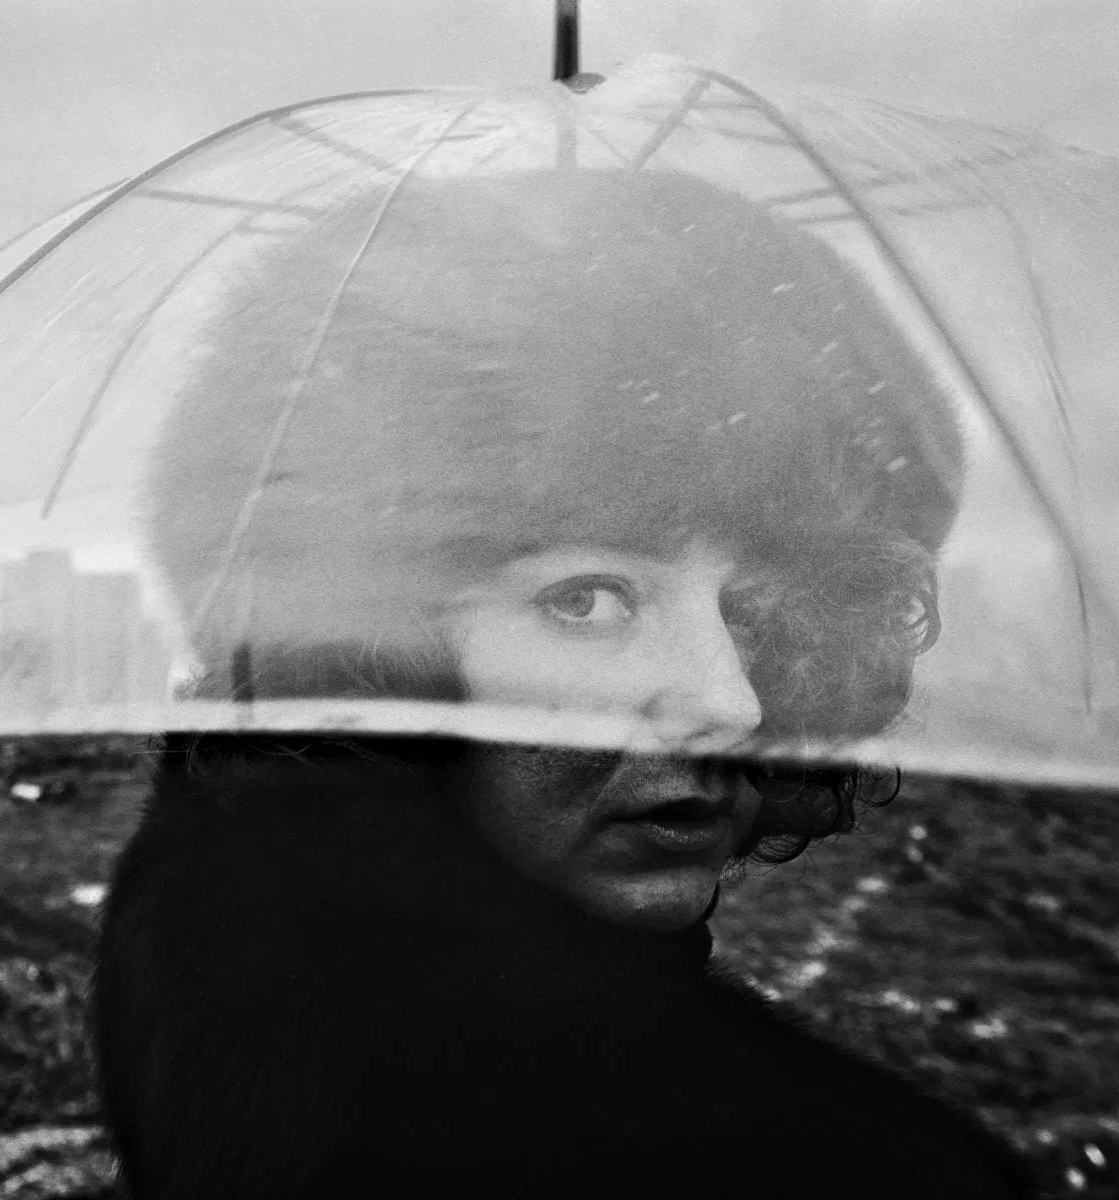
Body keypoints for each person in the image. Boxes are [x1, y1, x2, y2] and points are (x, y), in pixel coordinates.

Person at [93, 168, 1038, 1198]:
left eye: (754, 610)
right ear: (356, 635)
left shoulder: (209, 921)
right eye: (587, 600)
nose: (727, 701)